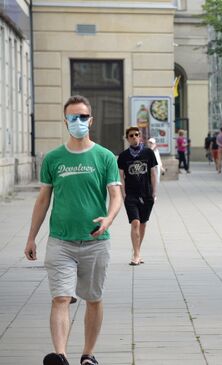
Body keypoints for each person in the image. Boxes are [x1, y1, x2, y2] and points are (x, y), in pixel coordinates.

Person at [23, 95, 122, 365]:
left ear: (90, 120)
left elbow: (116, 195)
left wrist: (109, 219)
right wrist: (32, 237)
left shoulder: (104, 157)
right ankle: (60, 356)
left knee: (93, 298)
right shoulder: (54, 158)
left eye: (82, 117)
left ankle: (88, 355)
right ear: (65, 121)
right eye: (72, 117)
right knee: (61, 298)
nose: (77, 122)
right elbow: (43, 200)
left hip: (96, 241)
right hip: (60, 242)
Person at [118, 127, 158, 266]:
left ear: (140, 136)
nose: (134, 137)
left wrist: (154, 193)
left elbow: (153, 173)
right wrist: (123, 194)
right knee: (135, 222)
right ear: (127, 138)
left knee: (142, 224)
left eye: (137, 134)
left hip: (146, 194)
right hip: (131, 195)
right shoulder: (123, 156)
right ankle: (136, 255)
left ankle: (137, 251)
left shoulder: (148, 153)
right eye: (131, 135)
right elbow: (121, 177)